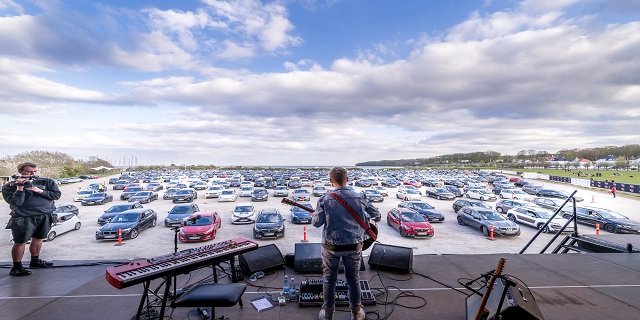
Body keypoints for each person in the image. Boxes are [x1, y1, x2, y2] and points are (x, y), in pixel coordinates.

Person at [312, 167, 379, 320]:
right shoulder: (360, 196)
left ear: (331, 181)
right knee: (353, 279)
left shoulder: (324, 199)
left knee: (329, 280)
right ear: (347, 179)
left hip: (331, 247)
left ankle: (328, 313)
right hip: (354, 246)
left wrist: (315, 215)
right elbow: (375, 214)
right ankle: (356, 313)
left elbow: (317, 223)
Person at [2, 162, 61, 276]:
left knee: (39, 238)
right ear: (20, 171)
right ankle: (17, 267)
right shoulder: (9, 186)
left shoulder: (46, 181)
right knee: (20, 242)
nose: (33, 174)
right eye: (29, 172)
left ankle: (35, 261)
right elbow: (16, 203)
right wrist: (19, 188)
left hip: (45, 214)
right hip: (23, 217)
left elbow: (56, 195)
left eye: (35, 171)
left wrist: (39, 191)